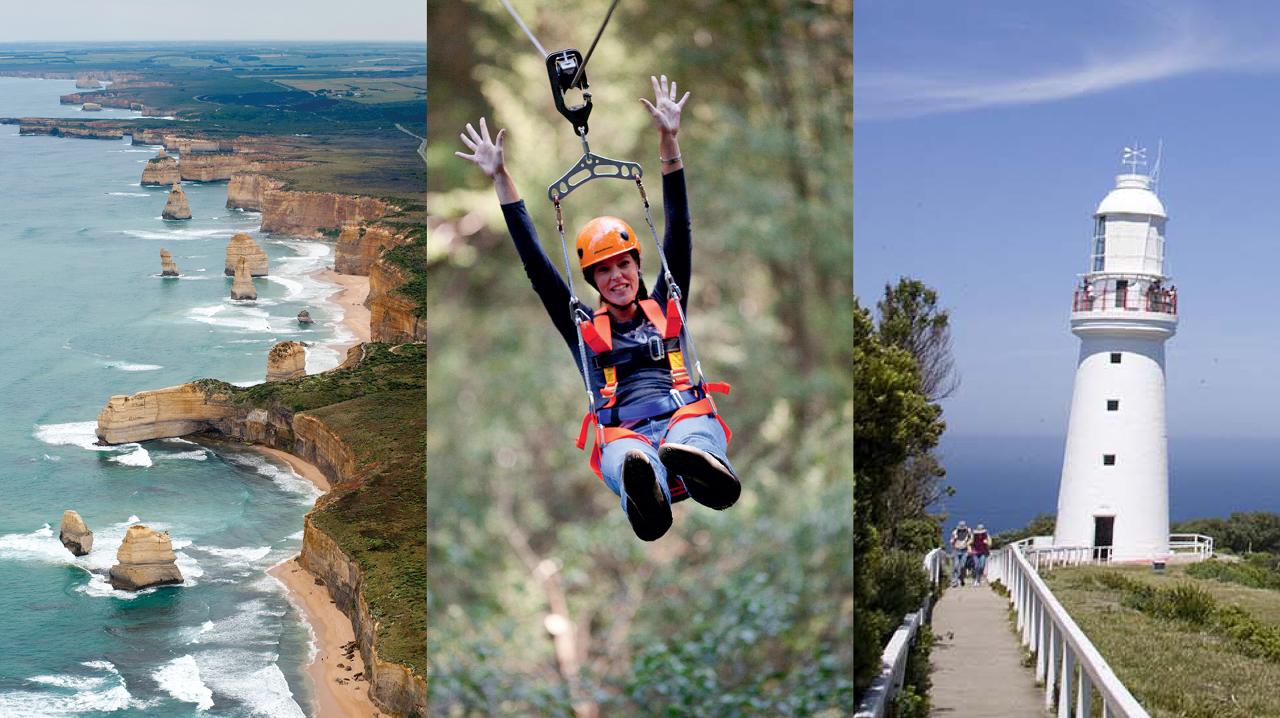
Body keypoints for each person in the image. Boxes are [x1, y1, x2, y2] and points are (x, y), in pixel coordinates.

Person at [456, 75, 739, 542]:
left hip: (684, 417)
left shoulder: (667, 302)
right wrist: (502, 180)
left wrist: (669, 141)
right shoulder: (584, 327)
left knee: (691, 441)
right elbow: (537, 268)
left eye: (623, 265)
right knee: (629, 459)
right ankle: (647, 497)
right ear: (593, 281)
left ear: (637, 265)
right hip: (622, 433)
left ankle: (705, 473)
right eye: (604, 271)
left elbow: (680, 229)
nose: (617, 277)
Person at [950, 521, 973, 587]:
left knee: (962, 566)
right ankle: (954, 581)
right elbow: (951, 541)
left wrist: (968, 543)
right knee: (956, 566)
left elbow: (972, 538)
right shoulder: (955, 532)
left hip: (964, 550)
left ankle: (962, 578)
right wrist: (954, 539)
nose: (962, 530)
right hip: (956, 550)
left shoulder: (968, 531)